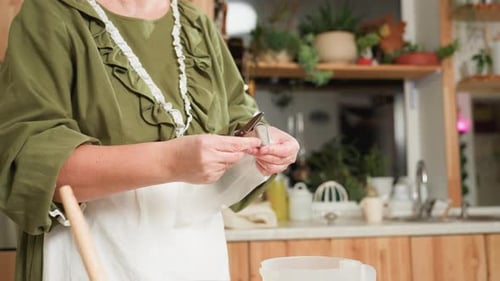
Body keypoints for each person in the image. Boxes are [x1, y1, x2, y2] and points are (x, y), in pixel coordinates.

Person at [0, 0, 299, 280]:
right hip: (90, 261)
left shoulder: (197, 25)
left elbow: (241, 119)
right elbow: (31, 164)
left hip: (196, 262)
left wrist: (265, 145)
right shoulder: (51, 14)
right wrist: (173, 161)